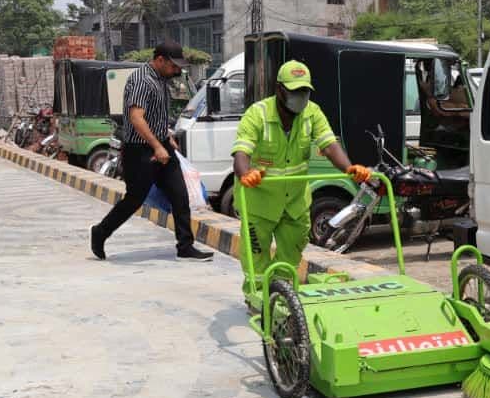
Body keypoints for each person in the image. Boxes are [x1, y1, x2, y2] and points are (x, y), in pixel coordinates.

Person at [231, 60, 370, 299]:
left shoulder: (312, 113)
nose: (301, 96)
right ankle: (256, 298)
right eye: (295, 91)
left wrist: (350, 168)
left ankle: (283, 297)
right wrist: (245, 173)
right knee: (256, 260)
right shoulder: (258, 114)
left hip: (295, 203)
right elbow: (241, 151)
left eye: (305, 91)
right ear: (279, 89)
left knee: (291, 256)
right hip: (259, 203)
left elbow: (329, 145)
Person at [90, 41, 214, 262]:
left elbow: (153, 116)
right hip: (140, 151)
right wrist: (156, 146)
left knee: (180, 194)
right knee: (134, 200)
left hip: (161, 145)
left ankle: (185, 246)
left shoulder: (160, 80)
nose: (177, 70)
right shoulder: (141, 80)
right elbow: (136, 118)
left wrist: (165, 137)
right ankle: (100, 231)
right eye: (173, 65)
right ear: (160, 60)